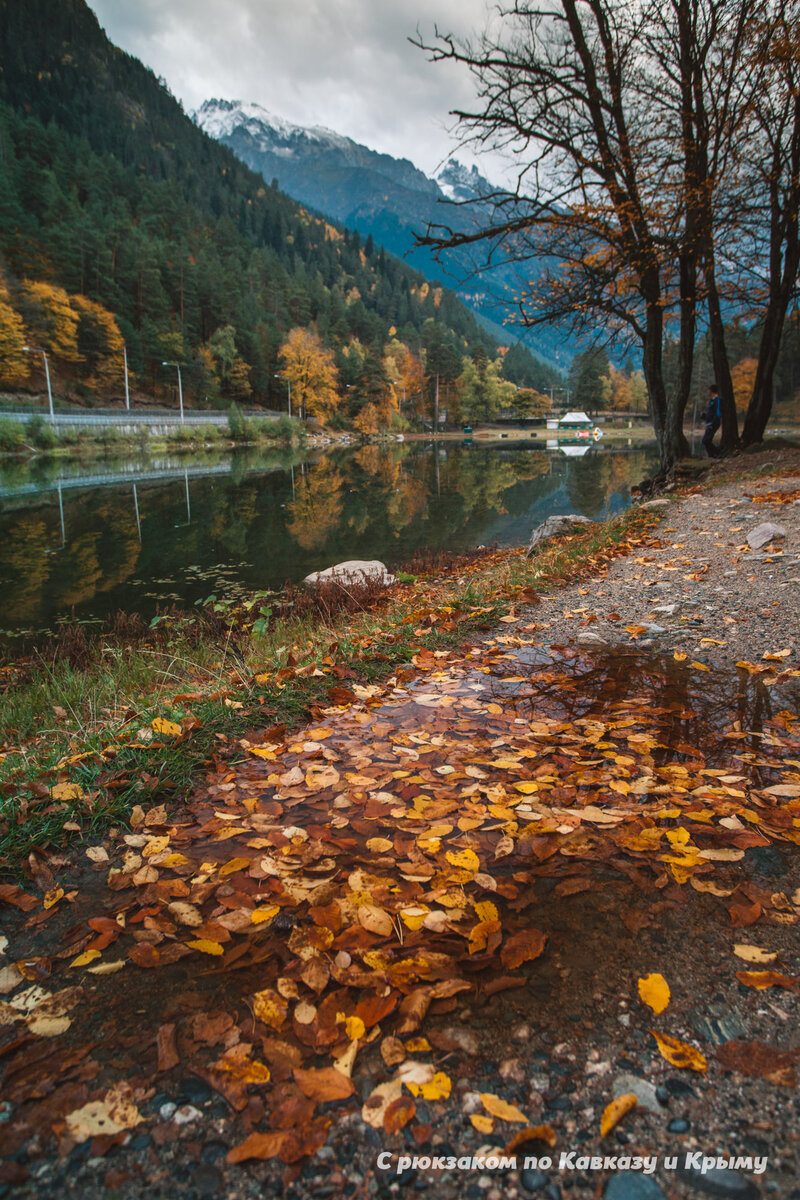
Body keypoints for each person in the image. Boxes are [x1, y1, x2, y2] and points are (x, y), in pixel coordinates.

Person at [701, 384, 722, 457]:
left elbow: (718, 413)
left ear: (711, 391)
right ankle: (712, 455)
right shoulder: (712, 401)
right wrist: (704, 415)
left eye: (708, 390)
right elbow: (711, 413)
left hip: (713, 423)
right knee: (706, 441)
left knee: (706, 440)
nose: (708, 391)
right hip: (709, 423)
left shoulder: (718, 400)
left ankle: (718, 452)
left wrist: (712, 424)